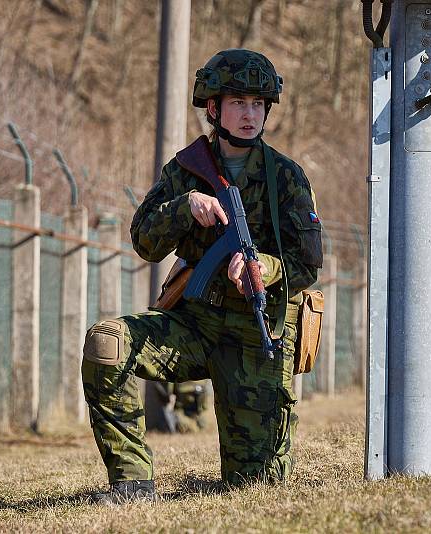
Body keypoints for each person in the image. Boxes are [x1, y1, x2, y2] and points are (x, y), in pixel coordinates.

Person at [81, 48, 323, 504]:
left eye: (257, 104)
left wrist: (263, 268)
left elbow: (308, 262)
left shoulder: (287, 178)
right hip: (193, 326)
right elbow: (144, 244)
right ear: (213, 108)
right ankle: (132, 482)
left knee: (254, 487)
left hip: (257, 337)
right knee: (106, 344)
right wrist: (183, 208)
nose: (250, 114)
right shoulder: (185, 169)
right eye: (238, 103)